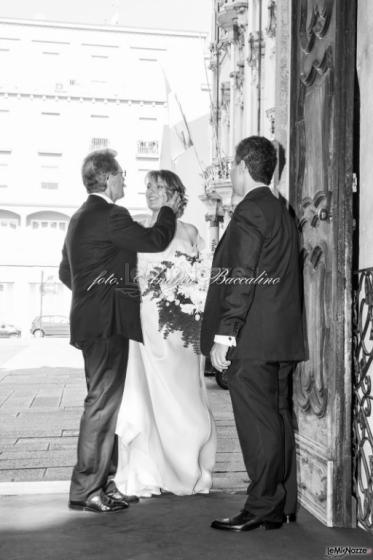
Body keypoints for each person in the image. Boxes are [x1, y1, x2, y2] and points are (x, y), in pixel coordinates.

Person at [59, 150, 180, 513]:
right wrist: (169, 209)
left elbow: (67, 273)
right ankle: (86, 490)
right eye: (122, 175)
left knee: (106, 403)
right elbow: (156, 240)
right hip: (107, 323)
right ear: (109, 179)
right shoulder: (112, 214)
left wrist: (93, 292)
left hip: (91, 320)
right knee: (101, 404)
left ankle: (102, 484)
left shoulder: (79, 218)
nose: (125, 181)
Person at [201, 136, 305, 532]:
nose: (231, 171)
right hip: (279, 337)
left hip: (253, 339)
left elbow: (241, 274)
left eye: (232, 165)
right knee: (276, 418)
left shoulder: (250, 211)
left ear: (243, 166)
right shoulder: (281, 210)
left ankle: (263, 505)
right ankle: (283, 502)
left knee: (257, 423)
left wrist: (226, 334)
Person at [114, 170, 217, 497]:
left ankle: (187, 468)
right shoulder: (139, 226)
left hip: (183, 327)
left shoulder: (191, 232)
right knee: (149, 399)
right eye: (147, 187)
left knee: (185, 398)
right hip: (148, 324)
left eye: (158, 187)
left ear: (175, 194)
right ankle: (151, 471)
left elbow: (204, 277)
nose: (150, 192)